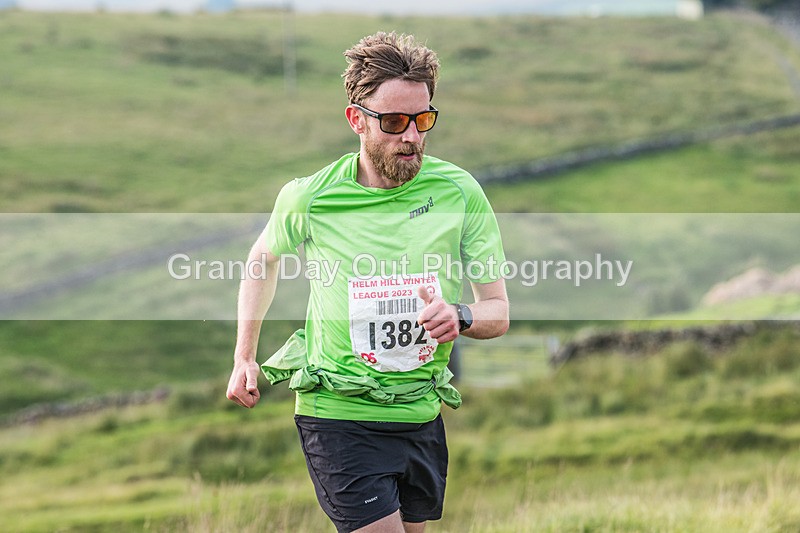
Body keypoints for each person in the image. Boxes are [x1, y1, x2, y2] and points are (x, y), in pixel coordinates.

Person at [226, 31, 509, 533]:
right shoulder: (310, 197)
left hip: (420, 411)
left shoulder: (460, 192)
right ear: (357, 119)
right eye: (396, 121)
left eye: (424, 121)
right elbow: (261, 259)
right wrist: (244, 355)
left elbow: (497, 311)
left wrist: (459, 316)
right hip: (337, 412)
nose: (413, 137)